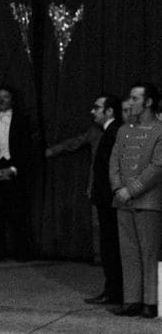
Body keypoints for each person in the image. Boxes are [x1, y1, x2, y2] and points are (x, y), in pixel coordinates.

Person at [46, 93, 124, 305]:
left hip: (111, 198)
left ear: (109, 111)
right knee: (108, 243)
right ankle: (111, 289)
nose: (92, 111)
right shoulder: (100, 131)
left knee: (112, 244)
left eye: (97, 107)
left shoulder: (116, 131)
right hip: (103, 195)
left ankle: (115, 291)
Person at [109, 82, 162, 319]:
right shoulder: (123, 130)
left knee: (148, 252)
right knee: (128, 252)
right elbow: (114, 162)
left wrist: (132, 190)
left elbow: (157, 167)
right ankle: (131, 299)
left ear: (148, 102)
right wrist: (118, 187)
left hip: (147, 200)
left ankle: (150, 301)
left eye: (134, 99)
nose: (130, 103)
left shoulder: (160, 130)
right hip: (123, 200)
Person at [0, 86, 35, 261]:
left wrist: (13, 169)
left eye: (6, 96)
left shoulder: (22, 121)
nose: (2, 100)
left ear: (12, 100)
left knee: (18, 214)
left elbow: (27, 149)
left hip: (15, 170)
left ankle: (21, 252)